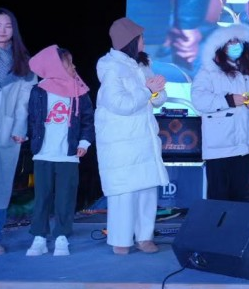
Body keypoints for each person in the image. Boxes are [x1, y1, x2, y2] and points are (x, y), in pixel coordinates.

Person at [94, 17, 169, 255]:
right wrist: (147, 90)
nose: (144, 42)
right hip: (122, 141)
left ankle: (144, 237)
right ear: (130, 40)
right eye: (141, 38)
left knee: (146, 190)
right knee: (124, 193)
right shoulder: (111, 68)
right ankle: (121, 240)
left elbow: (158, 99)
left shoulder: (141, 65)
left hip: (144, 138)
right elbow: (119, 104)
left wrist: (156, 91)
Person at [191, 24, 249, 202]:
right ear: (221, 45)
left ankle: (238, 222)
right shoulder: (209, 70)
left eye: (238, 42)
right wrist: (228, 100)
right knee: (219, 196)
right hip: (220, 144)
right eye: (230, 42)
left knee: (240, 196)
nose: (235, 46)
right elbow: (199, 99)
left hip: (246, 143)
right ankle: (217, 222)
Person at [25, 46, 94, 257]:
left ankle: (62, 235)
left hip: (68, 155)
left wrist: (84, 142)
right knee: (42, 197)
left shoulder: (79, 91)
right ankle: (39, 237)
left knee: (65, 197)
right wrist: (26, 136)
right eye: (68, 63)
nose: (74, 66)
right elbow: (32, 118)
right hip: (43, 153)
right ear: (54, 66)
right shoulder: (39, 90)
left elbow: (87, 119)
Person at [0, 8, 36, 256]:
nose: (2, 30)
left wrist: (19, 128)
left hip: (4, 132)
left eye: (7, 25)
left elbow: (24, 103)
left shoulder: (24, 63)